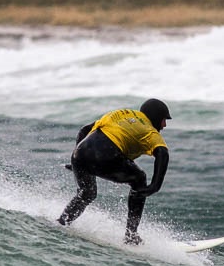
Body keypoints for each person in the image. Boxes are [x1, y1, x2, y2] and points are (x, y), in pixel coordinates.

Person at [57, 98, 171, 245]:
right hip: (106, 156)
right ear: (155, 117)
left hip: (79, 153)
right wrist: (155, 186)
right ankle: (131, 235)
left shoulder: (120, 114)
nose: (164, 125)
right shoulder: (149, 131)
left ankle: (62, 222)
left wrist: (77, 160)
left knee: (87, 193)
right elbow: (163, 153)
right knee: (139, 178)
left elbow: (85, 130)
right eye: (163, 120)